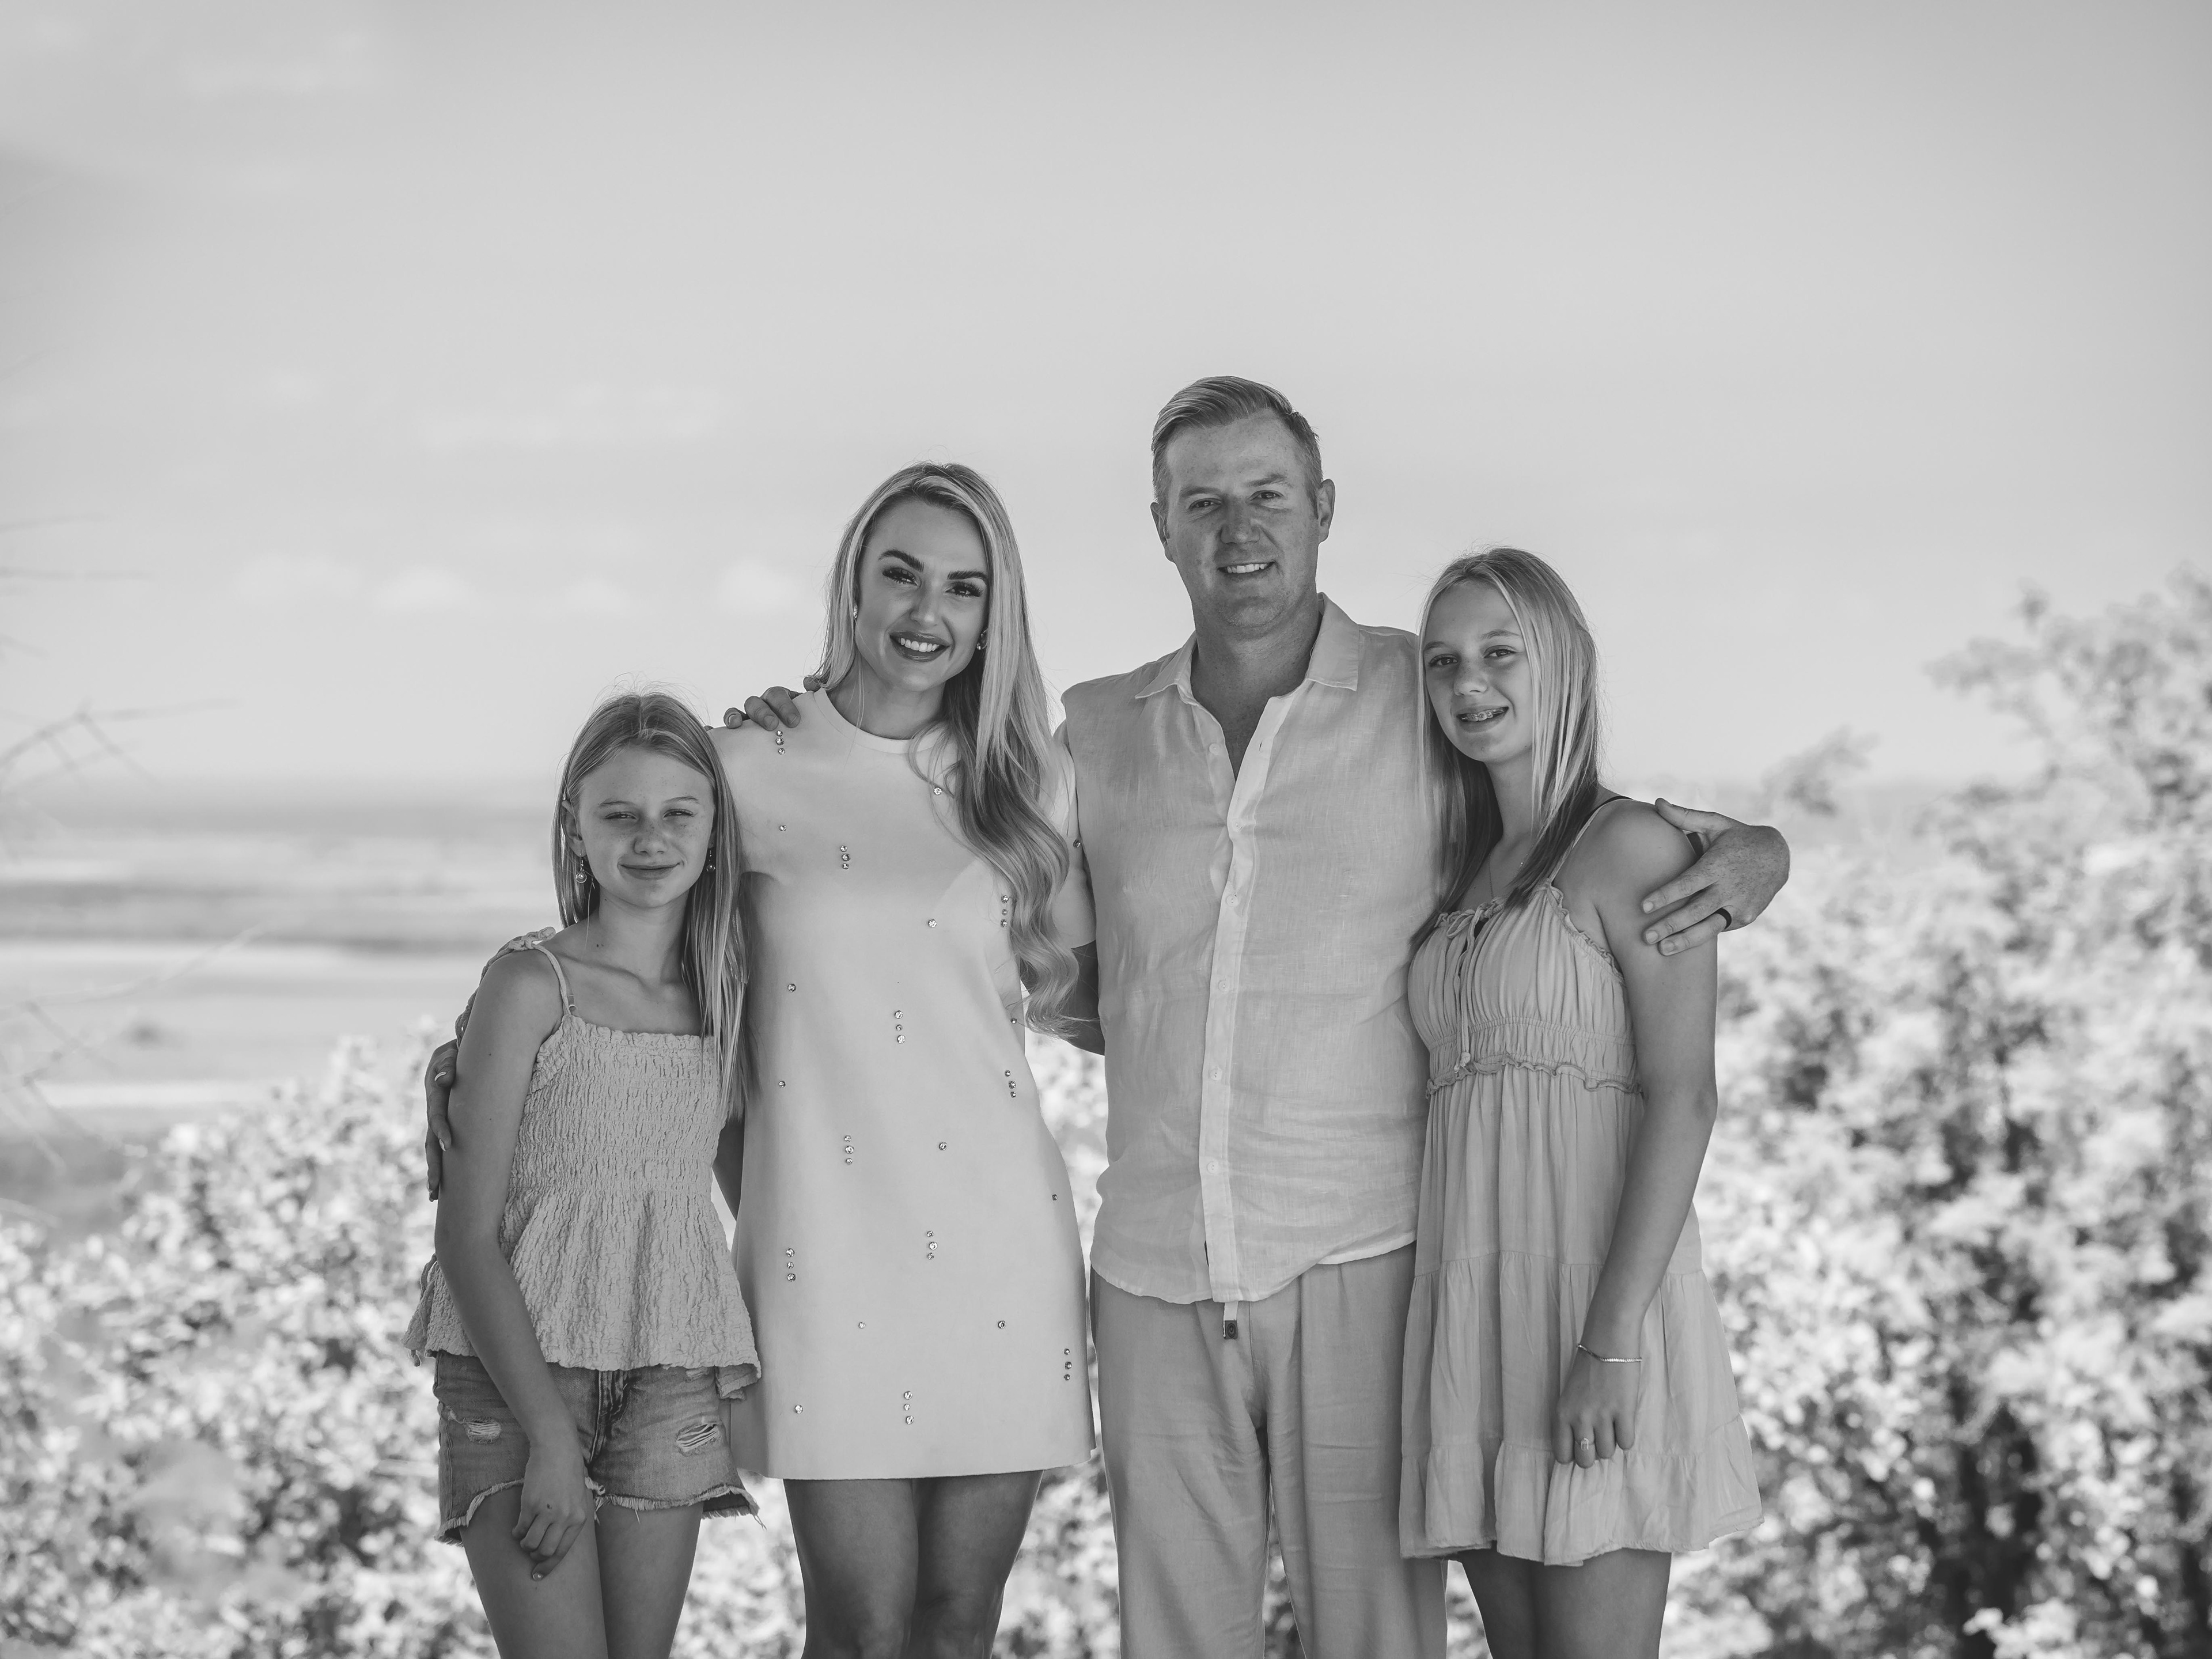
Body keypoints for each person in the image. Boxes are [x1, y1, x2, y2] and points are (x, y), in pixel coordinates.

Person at [734, 376, 1790, 1659]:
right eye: (1203, 503)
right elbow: (1038, 957)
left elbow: (1562, 819)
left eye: (1268, 496)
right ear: (1161, 527)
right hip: (1153, 1270)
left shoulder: (1421, 694)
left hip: (1367, 1260)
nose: (1238, 531)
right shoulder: (1094, 733)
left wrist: (1754, 847)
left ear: (1323, 508)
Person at [428, 463, 1099, 1659]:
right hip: (821, 1250)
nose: (927, 611)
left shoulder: (1031, 780)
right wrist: (479, 1061)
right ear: (852, 583)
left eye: (965, 587)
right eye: (900, 573)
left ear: (997, 613)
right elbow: (633, 954)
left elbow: (1102, 999)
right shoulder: (746, 764)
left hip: (1003, 1245)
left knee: (957, 1629)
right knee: (862, 1628)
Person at [1400, 549, 1760, 1659]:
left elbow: (1684, 1099)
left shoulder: (1631, 847)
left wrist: (1608, 1343)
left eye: (1499, 652)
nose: (1469, 683)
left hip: (1594, 1308)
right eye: (1443, 661)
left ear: (1563, 663)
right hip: (1475, 1311)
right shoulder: (1457, 868)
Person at [406, 691, 759, 1659]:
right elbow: (464, 1236)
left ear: (716, 831)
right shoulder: (530, 986)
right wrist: (551, 1439)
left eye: (679, 812)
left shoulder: (728, 997)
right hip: (519, 1378)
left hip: (671, 1369)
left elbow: (755, 1192)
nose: (651, 839)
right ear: (575, 825)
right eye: (619, 813)